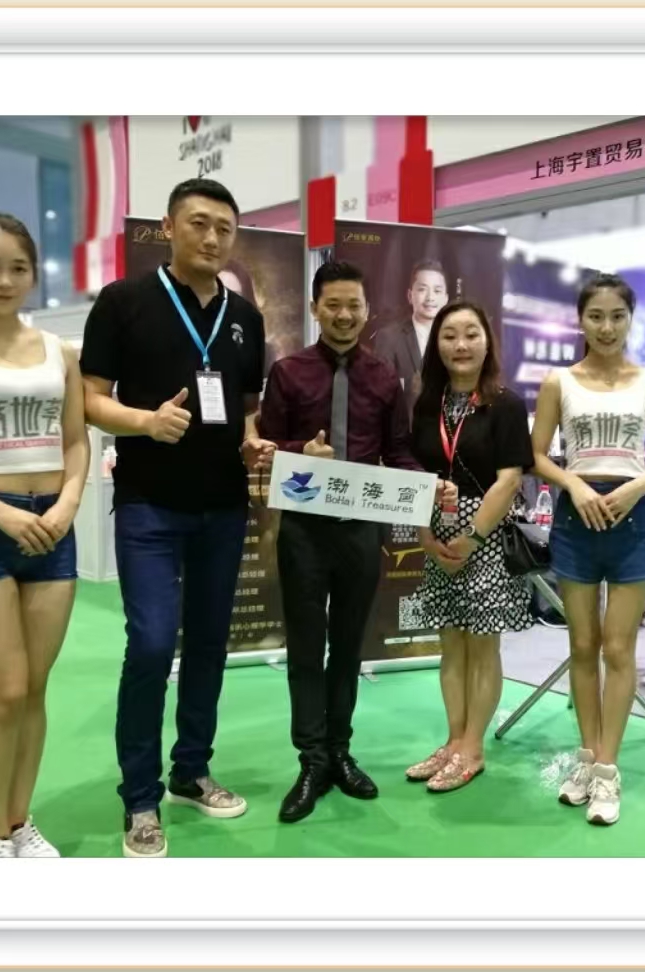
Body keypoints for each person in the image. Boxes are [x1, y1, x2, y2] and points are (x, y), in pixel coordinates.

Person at [80, 178, 273, 858]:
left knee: (210, 644)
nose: (212, 237)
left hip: (223, 506)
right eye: (199, 223)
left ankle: (192, 770)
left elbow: (245, 408)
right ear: (168, 227)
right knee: (153, 644)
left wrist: (252, 441)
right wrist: (145, 423)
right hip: (148, 505)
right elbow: (90, 399)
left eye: (224, 227)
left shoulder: (245, 316)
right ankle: (141, 796)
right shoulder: (123, 301)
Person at [258, 261, 456, 823]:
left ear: (367, 311)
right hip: (303, 531)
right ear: (316, 309)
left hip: (361, 532)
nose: (344, 315)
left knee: (348, 646)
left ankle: (340, 752)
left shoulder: (383, 378)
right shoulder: (288, 373)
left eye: (354, 305)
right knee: (305, 647)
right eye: (334, 305)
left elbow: (397, 451)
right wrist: (300, 451)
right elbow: (268, 445)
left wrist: (426, 483)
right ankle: (311, 760)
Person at [531, 273, 645, 826]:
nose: (606, 327)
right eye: (595, 316)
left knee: (619, 648)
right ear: (580, 320)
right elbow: (538, 455)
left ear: (630, 320)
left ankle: (607, 770)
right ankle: (585, 758)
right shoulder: (559, 382)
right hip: (576, 517)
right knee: (582, 644)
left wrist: (636, 487)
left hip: (632, 516)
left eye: (617, 316)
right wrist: (572, 484)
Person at [0, 214, 89, 857]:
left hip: (52, 526)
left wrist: (68, 503)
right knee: (2, 691)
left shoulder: (58, 351)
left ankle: (18, 823)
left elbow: (75, 440)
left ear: (35, 275)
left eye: (18, 267)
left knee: (34, 688)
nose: (4, 280)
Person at [405, 302, 535, 792]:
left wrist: (472, 537)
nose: (460, 345)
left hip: (486, 534)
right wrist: (425, 534)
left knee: (482, 645)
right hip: (436, 532)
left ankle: (473, 748)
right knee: (451, 643)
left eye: (471, 334)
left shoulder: (505, 404)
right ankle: (453, 740)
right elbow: (415, 473)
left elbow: (509, 480)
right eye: (449, 335)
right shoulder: (426, 403)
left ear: (487, 341)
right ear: (436, 344)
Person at [373, 258, 450, 417]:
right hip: (406, 428)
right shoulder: (389, 337)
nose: (430, 298)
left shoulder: (454, 339)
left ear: (445, 299)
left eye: (437, 291)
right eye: (422, 289)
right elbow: (379, 390)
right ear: (410, 295)